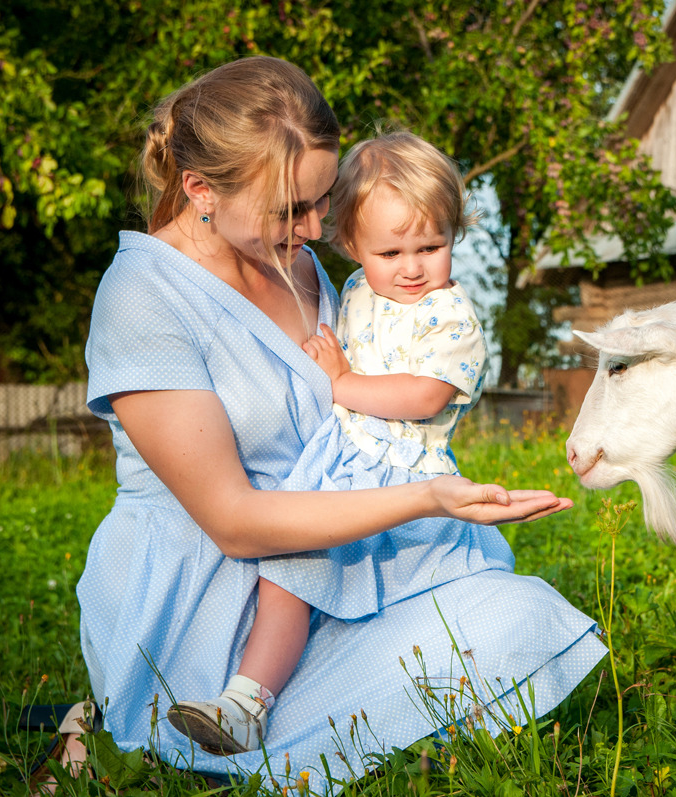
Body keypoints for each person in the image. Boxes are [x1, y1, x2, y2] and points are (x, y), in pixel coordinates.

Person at [71, 55, 606, 786]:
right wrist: (428, 498)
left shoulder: (295, 259)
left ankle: (346, 704)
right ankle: (202, 711)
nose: (319, 228)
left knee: (522, 613)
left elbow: (369, 397)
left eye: (323, 200)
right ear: (199, 190)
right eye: (293, 209)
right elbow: (234, 521)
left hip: (340, 548)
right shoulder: (143, 297)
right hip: (214, 592)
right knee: (251, 730)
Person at [165, 130, 493, 754]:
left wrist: (341, 382)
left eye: (432, 245)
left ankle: (444, 717)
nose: (414, 266)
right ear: (351, 245)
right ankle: (247, 702)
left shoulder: (451, 314)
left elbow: (426, 396)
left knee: (417, 605)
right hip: (335, 466)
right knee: (288, 577)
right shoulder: (355, 294)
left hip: (400, 471)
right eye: (392, 250)